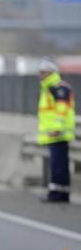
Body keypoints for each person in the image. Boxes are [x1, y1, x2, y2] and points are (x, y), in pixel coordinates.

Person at [37, 59, 75, 203]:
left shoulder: (58, 87)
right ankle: (61, 193)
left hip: (59, 133)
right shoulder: (48, 88)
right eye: (40, 73)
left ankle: (57, 194)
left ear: (51, 72)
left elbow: (61, 110)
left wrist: (57, 129)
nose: (41, 76)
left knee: (58, 165)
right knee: (58, 164)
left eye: (43, 72)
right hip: (54, 134)